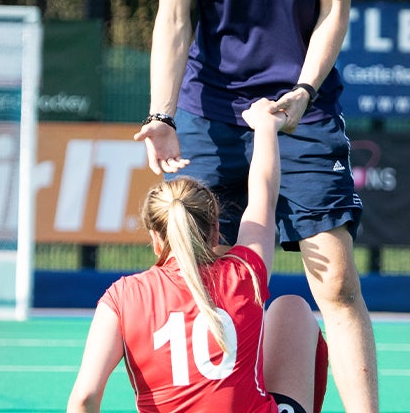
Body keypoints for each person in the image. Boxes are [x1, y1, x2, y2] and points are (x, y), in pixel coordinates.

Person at [133, 0, 379, 411]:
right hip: (207, 109)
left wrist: (303, 88)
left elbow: (333, 12)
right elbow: (173, 19)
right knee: (198, 273)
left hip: (300, 108)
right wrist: (162, 115)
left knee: (336, 279)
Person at [69, 98, 328, 413]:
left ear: (155, 236)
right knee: (293, 309)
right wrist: (265, 128)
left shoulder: (123, 297)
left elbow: (85, 397)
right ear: (216, 229)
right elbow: (263, 194)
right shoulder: (243, 274)